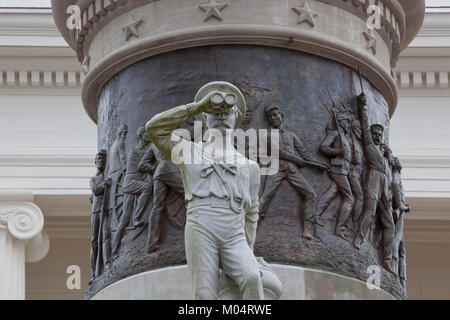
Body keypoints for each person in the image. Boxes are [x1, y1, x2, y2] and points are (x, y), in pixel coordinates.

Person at [146, 81, 268, 300]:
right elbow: (154, 129)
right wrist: (195, 107)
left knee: (251, 278)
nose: (221, 116)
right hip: (201, 225)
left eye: (227, 111)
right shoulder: (188, 152)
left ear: (236, 117)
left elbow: (251, 214)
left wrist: (248, 251)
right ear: (204, 118)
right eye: (214, 112)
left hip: (234, 232)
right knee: (204, 294)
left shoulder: (249, 166)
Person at [259, 104, 329, 242]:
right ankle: (251, 227)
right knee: (265, 198)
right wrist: (303, 162)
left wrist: (319, 164)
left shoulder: (292, 136)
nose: (273, 118)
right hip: (276, 170)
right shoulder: (266, 135)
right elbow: (281, 153)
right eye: (270, 116)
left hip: (292, 171)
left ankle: (307, 230)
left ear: (281, 115)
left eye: (275, 115)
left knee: (311, 194)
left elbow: (305, 154)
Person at [354, 93, 396, 273]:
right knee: (369, 213)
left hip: (384, 186)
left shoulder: (385, 153)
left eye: (380, 134)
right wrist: (362, 107)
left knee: (390, 225)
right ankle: (358, 239)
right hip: (372, 179)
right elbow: (364, 126)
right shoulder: (369, 145)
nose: (378, 136)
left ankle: (386, 260)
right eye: (375, 134)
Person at [316, 110, 363, 240]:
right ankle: (339, 228)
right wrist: (338, 151)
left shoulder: (346, 138)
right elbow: (323, 147)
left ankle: (316, 215)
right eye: (346, 122)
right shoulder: (335, 134)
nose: (348, 125)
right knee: (349, 198)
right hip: (337, 168)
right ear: (341, 122)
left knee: (331, 192)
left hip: (345, 169)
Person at [112, 126, 153, 256]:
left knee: (124, 218)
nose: (148, 136)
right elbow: (140, 167)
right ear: (141, 136)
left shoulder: (147, 149)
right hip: (131, 182)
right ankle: (137, 218)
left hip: (136, 181)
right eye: (146, 134)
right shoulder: (135, 152)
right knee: (147, 187)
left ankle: (114, 248)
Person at [144, 144, 185, 253]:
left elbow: (143, 164)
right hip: (171, 170)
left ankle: (152, 243)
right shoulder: (173, 137)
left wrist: (156, 167)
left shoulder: (152, 144)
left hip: (159, 172)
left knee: (157, 207)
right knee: (190, 196)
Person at [89, 149, 111, 281]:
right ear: (95, 162)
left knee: (106, 236)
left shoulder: (108, 175)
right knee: (94, 240)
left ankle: (107, 263)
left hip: (107, 209)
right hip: (97, 211)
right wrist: (105, 184)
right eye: (99, 158)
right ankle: (95, 271)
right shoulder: (93, 179)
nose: (101, 161)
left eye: (103, 158)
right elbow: (96, 190)